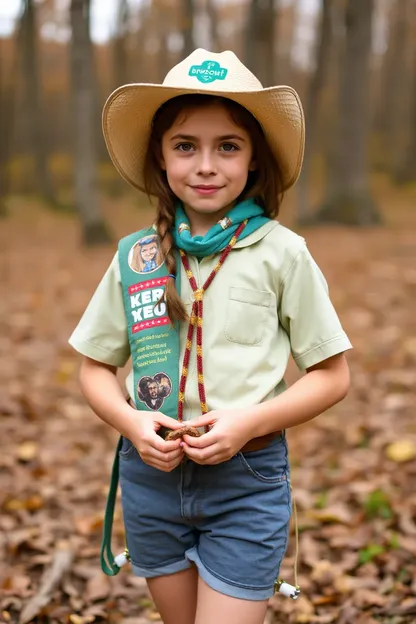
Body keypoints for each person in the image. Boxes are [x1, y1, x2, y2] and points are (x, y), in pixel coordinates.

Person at [69, 49, 352, 624]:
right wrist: (132, 423)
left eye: (227, 146)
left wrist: (249, 421)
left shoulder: (282, 252)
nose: (205, 165)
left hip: (245, 480)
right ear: (161, 156)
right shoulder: (138, 257)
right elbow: (94, 368)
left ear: (253, 161)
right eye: (184, 145)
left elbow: (332, 375)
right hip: (152, 480)